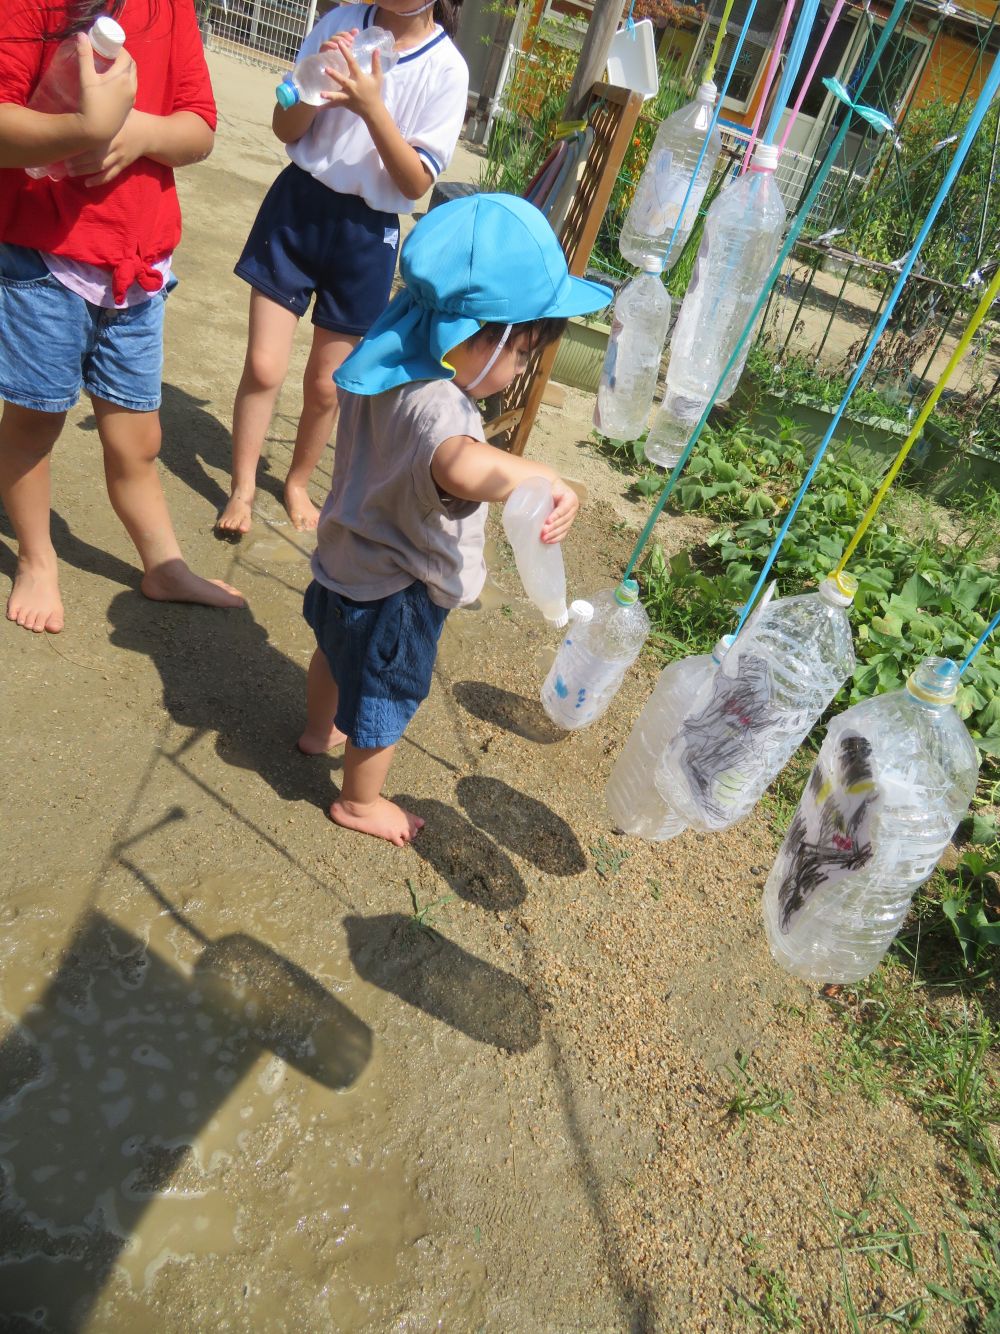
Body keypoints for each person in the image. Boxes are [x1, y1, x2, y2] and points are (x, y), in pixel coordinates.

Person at [297, 193, 612, 845]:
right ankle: (360, 801)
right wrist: (545, 476)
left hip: (343, 559)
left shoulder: (386, 357)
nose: (525, 367)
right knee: (386, 696)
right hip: (396, 588)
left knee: (333, 651)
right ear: (477, 335)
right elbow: (462, 469)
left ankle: (317, 728)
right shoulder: (444, 408)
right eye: (521, 352)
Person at [0, 0, 244, 635]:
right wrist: (81, 128)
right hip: (42, 252)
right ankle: (36, 556)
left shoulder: (169, 8)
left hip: (137, 264)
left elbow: (200, 127)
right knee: (34, 422)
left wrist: (134, 132)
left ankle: (162, 564)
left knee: (139, 439)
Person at [217, 0, 469, 537]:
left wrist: (371, 106)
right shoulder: (340, 22)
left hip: (367, 232)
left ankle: (297, 482)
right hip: (298, 207)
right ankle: (241, 486)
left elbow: (415, 183)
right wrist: (313, 83)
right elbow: (285, 126)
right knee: (264, 366)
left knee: (327, 386)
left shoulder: (446, 67)